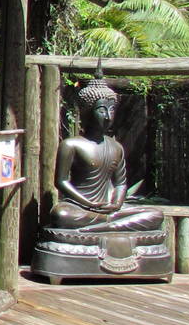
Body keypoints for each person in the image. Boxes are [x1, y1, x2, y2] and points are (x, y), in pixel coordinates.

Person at [47, 78, 163, 233]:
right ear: (87, 112)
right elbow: (61, 181)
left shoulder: (116, 147)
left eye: (112, 110)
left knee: (156, 215)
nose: (108, 116)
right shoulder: (71, 145)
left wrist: (116, 204)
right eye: (102, 111)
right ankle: (111, 224)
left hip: (108, 208)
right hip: (79, 206)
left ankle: (106, 226)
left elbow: (120, 183)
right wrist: (89, 204)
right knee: (61, 215)